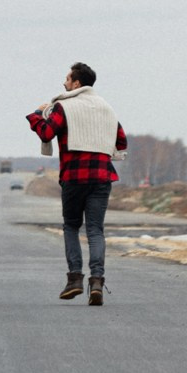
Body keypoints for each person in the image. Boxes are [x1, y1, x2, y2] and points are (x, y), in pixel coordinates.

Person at [25, 63, 126, 306]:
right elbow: (121, 142)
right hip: (102, 177)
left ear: (77, 84)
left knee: (71, 226)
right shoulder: (107, 108)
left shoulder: (64, 106)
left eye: (67, 79)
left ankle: (74, 280)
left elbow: (47, 133)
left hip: (74, 176)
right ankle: (97, 282)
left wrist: (37, 115)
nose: (64, 83)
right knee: (95, 230)